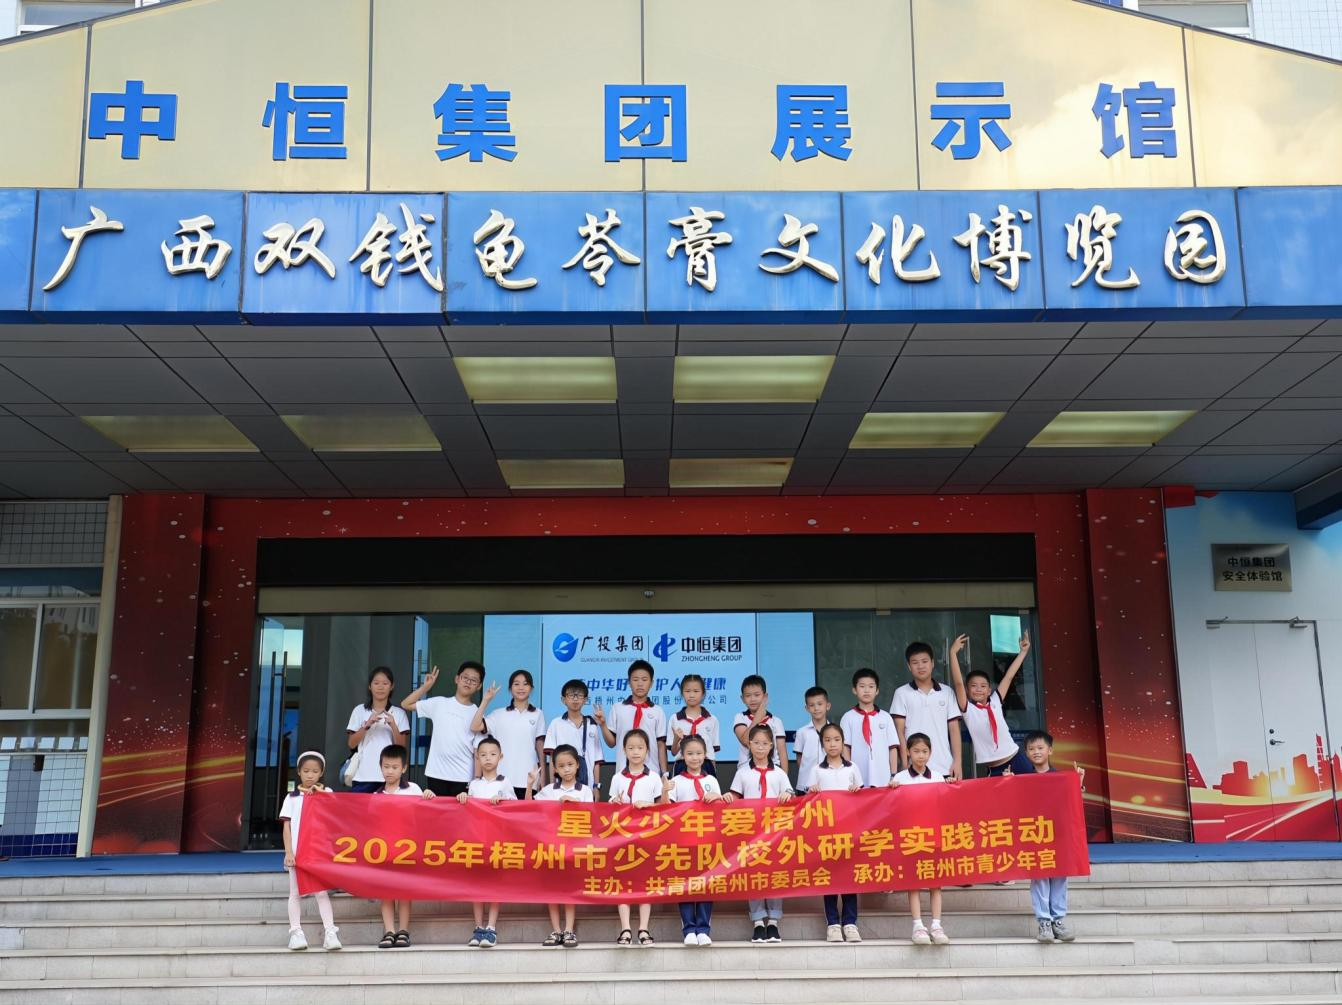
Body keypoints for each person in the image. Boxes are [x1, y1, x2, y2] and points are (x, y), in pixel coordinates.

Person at [457, 735, 534, 948]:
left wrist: (503, 801)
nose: (488, 758)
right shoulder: (473, 784)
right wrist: (463, 798)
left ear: (501, 757)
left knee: (494, 884)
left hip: (497, 841)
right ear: (477, 758)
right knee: (476, 886)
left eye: (492, 754)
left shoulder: (505, 782)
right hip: (476, 840)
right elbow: (467, 812)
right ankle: (478, 927)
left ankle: (491, 927)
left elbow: (516, 809)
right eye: (483, 755)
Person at [1013, 729, 1085, 943]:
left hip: (1059, 835)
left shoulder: (1062, 778)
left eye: (1040, 748)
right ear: (1026, 753)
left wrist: (1077, 783)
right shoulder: (1023, 779)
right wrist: (1008, 785)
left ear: (1050, 750)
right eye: (1031, 749)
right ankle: (1044, 922)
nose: (1036, 752)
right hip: (1035, 835)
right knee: (1040, 878)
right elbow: (1013, 804)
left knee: (1060, 877)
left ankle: (1058, 921)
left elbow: (1073, 804)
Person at [726, 723, 794, 943]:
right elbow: (735, 797)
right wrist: (727, 798)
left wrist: (787, 795)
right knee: (754, 874)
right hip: (751, 832)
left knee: (774, 874)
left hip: (775, 832)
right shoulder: (742, 772)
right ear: (749, 745)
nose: (760, 747)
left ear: (771, 745)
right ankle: (757, 921)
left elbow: (790, 793)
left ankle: (773, 922)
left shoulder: (779, 773)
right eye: (756, 743)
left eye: (765, 743)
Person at [890, 732, 952, 946]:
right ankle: (917, 925)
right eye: (916, 751)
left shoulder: (938, 777)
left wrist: (951, 786)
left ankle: (936, 924)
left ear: (930, 753)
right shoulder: (899, 778)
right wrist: (891, 790)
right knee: (914, 882)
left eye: (925, 751)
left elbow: (946, 804)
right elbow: (892, 807)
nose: (921, 755)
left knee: (935, 882)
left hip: (933, 836)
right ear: (908, 752)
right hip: (910, 837)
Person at [373, 744, 435, 949]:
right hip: (383, 850)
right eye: (386, 767)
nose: (390, 771)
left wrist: (429, 796)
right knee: (386, 894)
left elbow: (427, 812)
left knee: (404, 893)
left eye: (394, 767)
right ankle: (389, 931)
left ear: (404, 768)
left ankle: (403, 931)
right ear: (380, 767)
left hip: (407, 850)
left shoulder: (413, 789)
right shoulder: (375, 796)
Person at [948, 633, 1033, 777]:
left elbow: (1009, 677)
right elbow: (958, 683)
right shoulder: (968, 709)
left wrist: (1023, 652)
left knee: (1035, 790)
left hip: (1016, 759)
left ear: (989, 690)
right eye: (973, 686)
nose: (978, 689)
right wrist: (952, 654)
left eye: (983, 686)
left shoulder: (995, 701)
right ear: (967, 690)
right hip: (995, 769)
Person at [279, 750, 340, 951]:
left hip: (317, 853)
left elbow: (336, 807)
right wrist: (289, 852)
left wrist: (319, 793)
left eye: (315, 771)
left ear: (321, 773)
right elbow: (287, 827)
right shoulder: (291, 797)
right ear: (298, 772)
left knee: (321, 892)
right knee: (295, 893)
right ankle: (296, 933)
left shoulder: (326, 793)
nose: (310, 775)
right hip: (297, 853)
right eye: (306, 771)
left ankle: (330, 932)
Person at [534, 744, 594, 948]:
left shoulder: (585, 791)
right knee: (552, 890)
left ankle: (569, 930)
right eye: (561, 766)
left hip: (573, 849)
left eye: (570, 764)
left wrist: (573, 803)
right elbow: (529, 810)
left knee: (569, 889)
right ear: (555, 769)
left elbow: (592, 816)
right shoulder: (548, 790)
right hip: (551, 848)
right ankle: (556, 930)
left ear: (577, 765)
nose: (566, 769)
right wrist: (530, 785)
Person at [608, 728, 663, 946]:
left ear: (647, 750)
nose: (635, 752)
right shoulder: (617, 778)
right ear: (624, 750)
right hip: (622, 837)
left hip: (647, 836)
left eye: (640, 747)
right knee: (623, 882)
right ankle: (625, 929)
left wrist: (648, 805)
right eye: (631, 748)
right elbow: (610, 807)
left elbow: (664, 808)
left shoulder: (654, 777)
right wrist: (614, 803)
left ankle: (643, 928)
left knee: (645, 882)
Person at [807, 723, 862, 942]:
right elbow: (809, 801)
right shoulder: (816, 770)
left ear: (843, 742)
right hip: (826, 832)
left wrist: (857, 792)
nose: (832, 744)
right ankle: (832, 924)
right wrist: (813, 792)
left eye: (836, 740)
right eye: (828, 740)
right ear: (822, 744)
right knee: (829, 877)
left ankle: (850, 923)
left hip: (849, 831)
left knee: (849, 877)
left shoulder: (852, 768)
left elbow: (863, 799)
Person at [667, 734, 723, 946]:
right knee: (686, 884)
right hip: (684, 840)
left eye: (699, 753)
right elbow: (668, 809)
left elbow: (721, 812)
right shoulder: (676, 782)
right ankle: (689, 928)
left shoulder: (711, 781)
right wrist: (664, 792)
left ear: (705, 755)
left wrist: (717, 797)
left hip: (707, 840)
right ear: (682, 756)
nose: (695, 757)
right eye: (690, 753)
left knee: (707, 883)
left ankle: (704, 928)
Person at [401, 661, 484, 796]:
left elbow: (477, 751)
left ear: (479, 686)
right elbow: (406, 704)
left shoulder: (478, 714)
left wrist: (477, 779)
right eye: (465, 677)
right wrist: (425, 687)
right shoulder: (439, 703)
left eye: (473, 680)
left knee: (460, 810)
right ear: (457, 679)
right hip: (436, 772)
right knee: (436, 810)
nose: (468, 682)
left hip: (463, 775)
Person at [891, 642, 963, 780]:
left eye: (924, 661)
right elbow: (899, 732)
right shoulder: (901, 693)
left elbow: (954, 729)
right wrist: (905, 763)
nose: (920, 666)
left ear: (932, 663)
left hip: (945, 767)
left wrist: (957, 761)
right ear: (909, 666)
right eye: (915, 663)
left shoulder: (947, 692)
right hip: (913, 769)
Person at [474, 669, 546, 799]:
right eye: (516, 684)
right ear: (510, 689)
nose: (521, 688)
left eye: (525, 684)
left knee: (527, 812)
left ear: (531, 688)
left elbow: (540, 748)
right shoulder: (498, 714)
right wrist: (486, 700)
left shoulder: (538, 714)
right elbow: (475, 726)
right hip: (501, 780)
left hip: (529, 779)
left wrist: (543, 777)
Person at [594, 659, 668, 779]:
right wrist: (603, 725)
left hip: (651, 773)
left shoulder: (657, 711)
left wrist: (664, 773)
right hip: (623, 773)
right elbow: (611, 743)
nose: (640, 684)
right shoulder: (618, 708)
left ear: (651, 683)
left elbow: (661, 745)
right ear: (629, 682)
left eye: (644, 680)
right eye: (635, 679)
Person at [344, 666, 409, 792]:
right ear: (370, 686)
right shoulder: (359, 710)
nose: (380, 687)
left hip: (389, 777)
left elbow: (402, 748)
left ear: (392, 686)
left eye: (385, 683)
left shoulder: (399, 713)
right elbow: (351, 744)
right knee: (359, 805)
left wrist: (393, 726)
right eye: (376, 683)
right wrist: (366, 726)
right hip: (363, 775)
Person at [840, 668, 900, 788]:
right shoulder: (848, 717)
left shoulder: (885, 717)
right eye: (862, 686)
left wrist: (893, 775)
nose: (867, 690)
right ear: (854, 690)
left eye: (871, 686)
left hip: (883, 777)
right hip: (857, 778)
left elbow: (892, 748)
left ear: (877, 691)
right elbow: (845, 748)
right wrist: (849, 775)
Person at [544, 678, 605, 790]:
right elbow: (552, 758)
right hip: (561, 787)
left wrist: (596, 786)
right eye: (571, 695)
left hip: (587, 786)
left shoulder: (592, 724)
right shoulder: (556, 724)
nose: (575, 699)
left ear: (585, 700)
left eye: (579, 695)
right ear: (563, 700)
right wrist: (553, 786)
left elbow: (597, 760)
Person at [667, 673, 721, 777]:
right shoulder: (675, 719)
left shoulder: (711, 719)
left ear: (703, 694)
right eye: (687, 691)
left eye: (696, 691)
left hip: (706, 765)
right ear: (682, 693)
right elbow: (673, 752)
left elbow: (712, 752)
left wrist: (713, 772)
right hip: (682, 764)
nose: (691, 695)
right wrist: (676, 740)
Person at [732, 674, 787, 772]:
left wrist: (784, 777)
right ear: (742, 698)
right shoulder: (740, 717)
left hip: (773, 771)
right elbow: (745, 741)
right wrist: (758, 717)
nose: (752, 699)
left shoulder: (776, 721)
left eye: (757, 695)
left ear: (765, 696)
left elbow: (782, 752)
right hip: (746, 770)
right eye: (748, 696)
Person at [793, 685, 831, 793]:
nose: (816, 708)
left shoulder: (834, 731)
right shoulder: (802, 732)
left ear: (828, 706)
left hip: (829, 783)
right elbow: (799, 758)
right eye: (812, 705)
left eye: (820, 704)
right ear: (807, 708)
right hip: (806, 785)